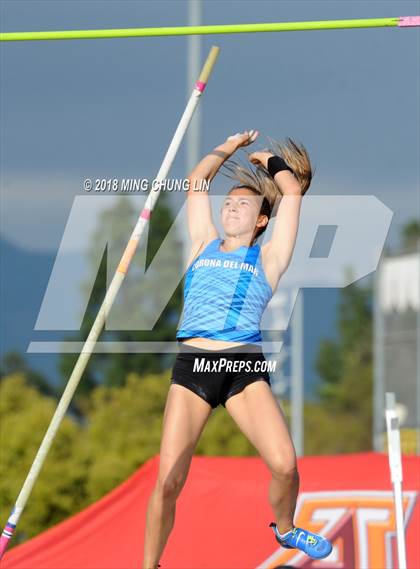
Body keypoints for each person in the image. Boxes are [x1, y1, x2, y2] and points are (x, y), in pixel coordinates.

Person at [142, 130, 332, 569]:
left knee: (285, 465)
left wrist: (268, 159)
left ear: (261, 220)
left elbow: (289, 192)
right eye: (228, 201)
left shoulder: (270, 258)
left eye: (243, 204)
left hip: (243, 367)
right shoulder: (202, 243)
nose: (230, 205)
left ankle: (285, 529)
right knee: (169, 480)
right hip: (193, 368)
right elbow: (195, 182)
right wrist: (227, 147)